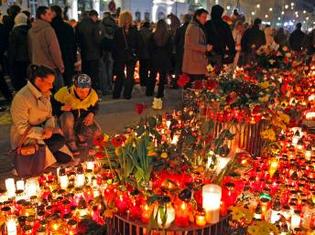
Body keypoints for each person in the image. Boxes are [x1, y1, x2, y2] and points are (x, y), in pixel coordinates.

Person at [10, 65, 73, 171]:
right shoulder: (22, 98)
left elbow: (49, 115)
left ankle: (44, 155)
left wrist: (49, 128)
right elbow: (21, 128)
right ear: (39, 80)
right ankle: (35, 158)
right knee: (55, 146)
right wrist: (43, 132)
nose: (52, 86)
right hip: (27, 137)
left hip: (43, 133)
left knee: (64, 154)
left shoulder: (45, 93)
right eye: (49, 83)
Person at [53, 74, 100, 153]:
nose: (84, 94)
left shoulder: (92, 94)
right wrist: (61, 108)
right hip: (66, 123)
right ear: (75, 87)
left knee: (97, 131)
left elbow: (95, 107)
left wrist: (91, 114)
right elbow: (51, 106)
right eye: (81, 91)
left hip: (81, 120)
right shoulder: (65, 92)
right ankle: (70, 141)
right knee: (67, 116)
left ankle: (81, 138)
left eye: (86, 91)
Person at [28, 6, 64, 90]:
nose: (51, 16)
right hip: (51, 67)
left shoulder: (31, 30)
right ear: (42, 15)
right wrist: (60, 66)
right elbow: (55, 50)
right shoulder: (48, 30)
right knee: (59, 93)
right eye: (48, 14)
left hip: (37, 66)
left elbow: (30, 50)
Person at [112, 11, 140, 99]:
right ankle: (127, 94)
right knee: (130, 76)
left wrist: (115, 55)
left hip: (120, 56)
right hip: (131, 55)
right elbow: (139, 44)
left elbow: (115, 45)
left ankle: (117, 94)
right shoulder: (134, 30)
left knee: (120, 75)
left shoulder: (118, 31)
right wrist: (137, 55)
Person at [146, 19, 172, 110]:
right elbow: (170, 49)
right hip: (164, 58)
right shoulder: (168, 37)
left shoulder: (153, 36)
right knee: (162, 76)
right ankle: (160, 92)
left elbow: (149, 48)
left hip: (155, 58)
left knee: (152, 75)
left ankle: (149, 91)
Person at [76, 10, 104, 91]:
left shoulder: (79, 25)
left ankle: (85, 91)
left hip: (84, 53)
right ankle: (93, 92)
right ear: (93, 16)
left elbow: (77, 40)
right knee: (94, 75)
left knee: (85, 74)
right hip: (94, 54)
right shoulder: (94, 25)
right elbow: (98, 40)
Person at [182, 8, 213, 83]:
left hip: (194, 64)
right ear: (197, 17)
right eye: (204, 17)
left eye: (206, 17)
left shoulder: (196, 26)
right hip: (194, 65)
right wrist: (206, 48)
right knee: (195, 87)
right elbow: (193, 44)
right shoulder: (194, 28)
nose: (205, 19)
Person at [50, 5, 77, 86]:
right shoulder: (68, 27)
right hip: (68, 57)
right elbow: (73, 44)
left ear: (54, 13)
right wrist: (73, 58)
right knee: (68, 81)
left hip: (54, 59)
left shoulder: (50, 27)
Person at [205, 5, 235, 71]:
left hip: (208, 55)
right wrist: (232, 53)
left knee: (208, 73)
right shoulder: (225, 25)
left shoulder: (207, 24)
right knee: (216, 74)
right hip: (219, 56)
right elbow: (230, 41)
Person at [8, 12, 30, 91]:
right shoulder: (30, 30)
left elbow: (13, 49)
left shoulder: (14, 32)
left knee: (19, 80)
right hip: (29, 59)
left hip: (18, 60)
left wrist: (10, 62)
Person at [99, 12, 117, 95]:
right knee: (110, 69)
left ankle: (104, 88)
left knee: (103, 70)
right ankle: (110, 86)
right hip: (111, 49)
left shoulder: (101, 24)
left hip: (103, 49)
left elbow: (99, 37)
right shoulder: (114, 24)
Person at [174, 14, 192, 88]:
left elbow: (175, 41)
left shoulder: (179, 29)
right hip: (190, 52)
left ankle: (177, 83)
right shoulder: (192, 29)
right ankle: (188, 83)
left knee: (179, 67)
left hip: (180, 51)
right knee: (188, 68)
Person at [139, 21, 152, 87]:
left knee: (141, 67)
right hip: (148, 53)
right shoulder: (150, 33)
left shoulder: (140, 32)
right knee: (146, 68)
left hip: (141, 53)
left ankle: (141, 81)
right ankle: (145, 81)